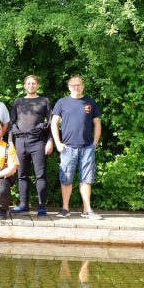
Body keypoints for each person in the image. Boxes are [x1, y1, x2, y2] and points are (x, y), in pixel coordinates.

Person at [51, 75, 102, 220]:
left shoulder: (90, 102)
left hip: (87, 147)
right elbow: (54, 123)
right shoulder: (62, 102)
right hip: (67, 148)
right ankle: (65, 209)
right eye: (73, 85)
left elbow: (97, 123)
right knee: (66, 178)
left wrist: (95, 143)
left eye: (79, 85)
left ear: (83, 86)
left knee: (86, 178)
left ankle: (87, 210)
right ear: (69, 87)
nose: (76, 87)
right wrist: (58, 143)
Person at [9, 75, 53, 216]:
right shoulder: (18, 102)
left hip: (38, 141)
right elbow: (11, 123)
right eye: (28, 83)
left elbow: (51, 123)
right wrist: (10, 142)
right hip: (20, 141)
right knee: (22, 175)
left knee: (40, 175)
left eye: (34, 83)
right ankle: (23, 205)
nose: (31, 85)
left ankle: (41, 205)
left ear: (38, 85)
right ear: (24, 85)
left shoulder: (44, 101)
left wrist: (50, 141)